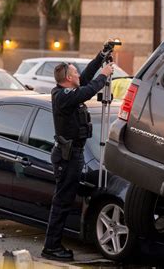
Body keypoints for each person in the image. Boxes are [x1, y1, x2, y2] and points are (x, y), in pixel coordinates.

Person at [41, 41, 115, 261]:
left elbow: (87, 77)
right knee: (61, 203)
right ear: (68, 78)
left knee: (64, 201)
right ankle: (51, 247)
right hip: (67, 157)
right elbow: (89, 89)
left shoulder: (69, 89)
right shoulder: (62, 96)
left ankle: (54, 244)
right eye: (75, 72)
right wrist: (104, 75)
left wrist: (102, 55)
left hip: (74, 154)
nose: (78, 75)